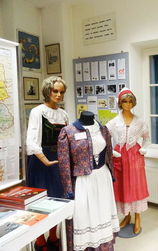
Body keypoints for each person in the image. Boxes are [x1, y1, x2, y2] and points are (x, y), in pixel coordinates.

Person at [58, 111, 120, 250]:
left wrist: (112, 175)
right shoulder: (68, 131)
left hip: (103, 178)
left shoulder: (103, 129)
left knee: (102, 212)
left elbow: (109, 153)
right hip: (83, 181)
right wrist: (68, 188)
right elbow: (64, 163)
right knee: (84, 217)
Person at [26, 76, 68, 251]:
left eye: (61, 92)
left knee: (57, 199)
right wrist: (46, 160)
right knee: (40, 202)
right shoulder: (37, 111)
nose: (58, 95)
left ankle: (53, 236)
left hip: (58, 160)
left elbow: (67, 138)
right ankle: (40, 240)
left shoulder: (63, 114)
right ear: (47, 91)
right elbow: (31, 141)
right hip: (40, 161)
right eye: (55, 91)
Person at [106, 88, 150, 234]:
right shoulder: (113, 122)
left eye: (130, 101)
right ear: (120, 102)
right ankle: (127, 215)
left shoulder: (140, 121)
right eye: (125, 101)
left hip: (135, 157)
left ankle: (138, 216)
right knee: (123, 187)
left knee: (136, 186)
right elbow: (104, 138)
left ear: (133, 102)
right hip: (119, 158)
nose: (128, 104)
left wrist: (144, 148)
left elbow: (147, 138)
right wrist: (111, 151)